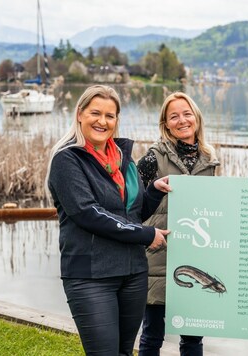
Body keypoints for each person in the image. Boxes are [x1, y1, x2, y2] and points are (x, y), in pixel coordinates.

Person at [46, 84, 170, 355]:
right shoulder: (67, 160)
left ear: (116, 120)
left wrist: (152, 191)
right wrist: (146, 235)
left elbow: (131, 213)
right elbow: (88, 213)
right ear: (80, 114)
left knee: (125, 352)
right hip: (91, 276)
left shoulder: (123, 159)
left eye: (110, 116)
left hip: (133, 273)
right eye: (95, 113)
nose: (102, 121)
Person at [137, 92, 219, 356]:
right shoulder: (152, 157)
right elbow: (133, 206)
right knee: (152, 335)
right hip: (158, 259)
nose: (182, 120)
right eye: (174, 116)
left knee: (193, 335)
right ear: (166, 124)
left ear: (196, 117)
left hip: (195, 259)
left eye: (187, 113)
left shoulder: (209, 159)